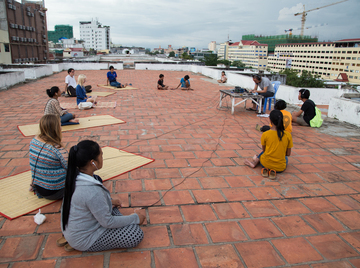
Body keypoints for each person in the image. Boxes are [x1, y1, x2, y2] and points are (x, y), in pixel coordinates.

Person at [61, 140, 145, 252]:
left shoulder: (75, 177)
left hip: (76, 228)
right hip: (85, 239)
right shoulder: (92, 191)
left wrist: (109, 202)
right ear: (92, 162)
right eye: (101, 155)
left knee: (112, 208)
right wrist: (135, 218)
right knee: (135, 234)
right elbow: (107, 222)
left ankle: (119, 218)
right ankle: (124, 220)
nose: (102, 158)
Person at [244, 110, 293, 180]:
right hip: (280, 168)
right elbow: (288, 154)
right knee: (286, 158)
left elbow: (264, 150)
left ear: (270, 120)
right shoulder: (288, 135)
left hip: (265, 164)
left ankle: (256, 161)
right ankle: (272, 170)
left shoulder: (265, 134)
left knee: (265, 152)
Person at [29, 115, 67, 200]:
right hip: (55, 191)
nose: (61, 128)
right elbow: (71, 168)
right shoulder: (57, 149)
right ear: (56, 129)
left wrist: (32, 183)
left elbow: (33, 165)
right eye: (60, 126)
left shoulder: (34, 141)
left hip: (39, 188)